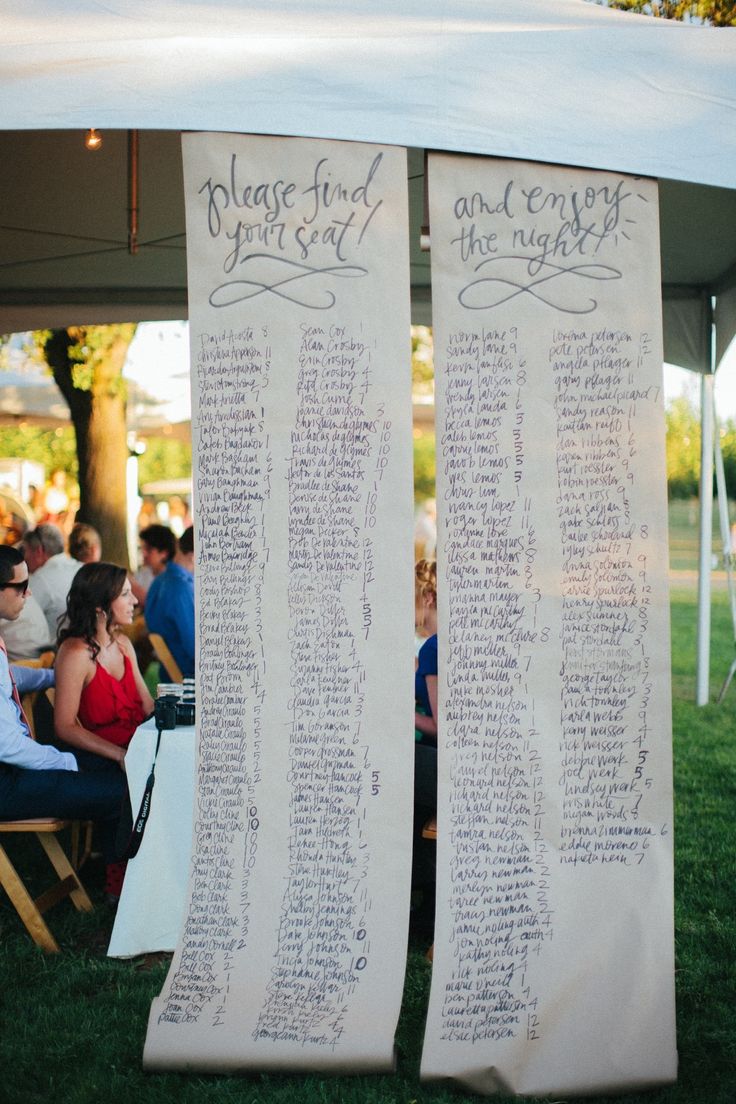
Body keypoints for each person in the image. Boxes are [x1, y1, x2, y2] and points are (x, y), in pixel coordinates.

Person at [0, 546, 125, 879]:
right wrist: (62, 760)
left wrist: (55, 675)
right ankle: (118, 890)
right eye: (20, 586)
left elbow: (8, 676)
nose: (29, 593)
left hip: (15, 771)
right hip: (6, 781)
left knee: (115, 774)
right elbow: (8, 747)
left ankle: (112, 874)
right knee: (121, 791)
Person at [54, 563, 154, 899]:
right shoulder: (75, 653)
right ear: (100, 606)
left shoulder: (123, 644)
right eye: (125, 594)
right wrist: (120, 755)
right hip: (96, 755)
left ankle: (158, 869)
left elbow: (146, 706)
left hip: (131, 748)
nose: (134, 601)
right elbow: (65, 726)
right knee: (130, 783)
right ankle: (120, 886)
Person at [144, 525, 195, 679]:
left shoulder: (160, 580)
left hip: (169, 673)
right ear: (194, 555)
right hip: (187, 678)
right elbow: (195, 648)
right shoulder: (180, 587)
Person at [23, 523, 81, 641]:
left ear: (39, 551)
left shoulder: (40, 579)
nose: (24, 557)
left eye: (26, 551)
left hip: (54, 653)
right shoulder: (81, 567)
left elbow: (18, 619)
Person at [129, 523, 177, 611]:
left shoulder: (175, 579)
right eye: (141, 549)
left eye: (148, 549)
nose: (144, 554)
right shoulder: (142, 575)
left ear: (164, 553)